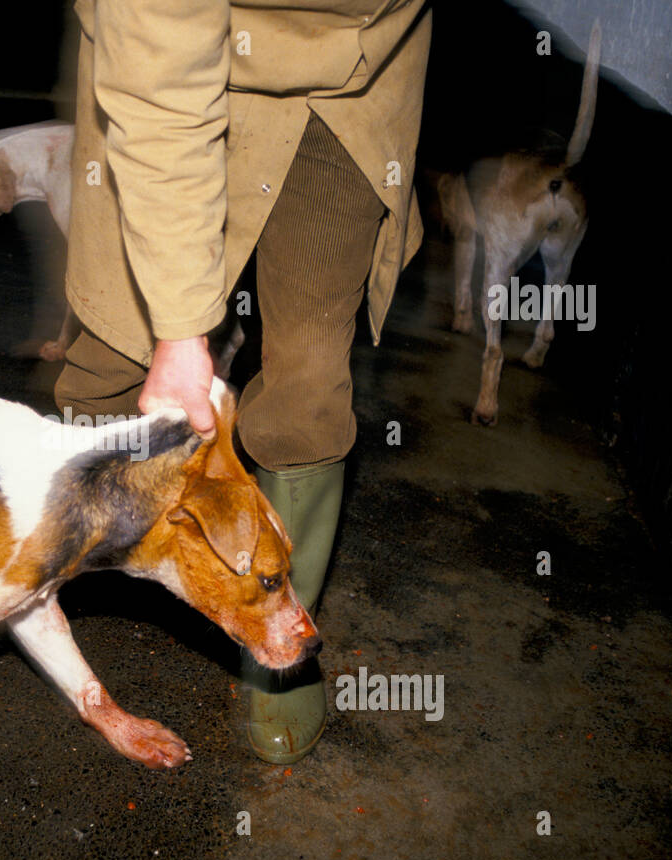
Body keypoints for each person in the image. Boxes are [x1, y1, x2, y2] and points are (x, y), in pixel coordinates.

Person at [56, 0, 432, 763]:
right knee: (112, 365)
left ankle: (271, 628)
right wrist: (180, 332)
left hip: (353, 78)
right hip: (168, 66)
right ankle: (51, 584)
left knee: (309, 388)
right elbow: (161, 76)